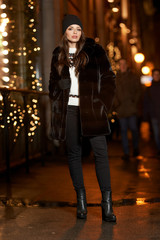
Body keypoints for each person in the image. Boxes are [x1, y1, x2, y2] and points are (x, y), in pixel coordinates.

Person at [49, 14, 116, 222]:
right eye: (71, 29)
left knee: (100, 154)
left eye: (78, 28)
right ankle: (81, 201)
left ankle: (107, 205)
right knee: (74, 154)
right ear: (65, 32)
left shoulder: (95, 50)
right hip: (69, 110)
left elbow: (109, 78)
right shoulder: (58, 54)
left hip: (93, 109)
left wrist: (102, 104)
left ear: (82, 31)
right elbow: (52, 86)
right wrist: (59, 87)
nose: (75, 32)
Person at [114, 59, 141, 161]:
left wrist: (134, 101)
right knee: (124, 131)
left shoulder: (133, 77)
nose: (122, 66)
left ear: (127, 65)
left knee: (134, 129)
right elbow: (113, 93)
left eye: (124, 64)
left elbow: (138, 90)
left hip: (131, 108)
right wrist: (117, 104)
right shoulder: (116, 78)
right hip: (122, 110)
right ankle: (126, 153)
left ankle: (135, 148)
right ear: (119, 66)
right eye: (120, 64)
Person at [143, 69, 160, 157]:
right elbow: (146, 103)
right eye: (155, 74)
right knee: (156, 134)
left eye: (158, 74)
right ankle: (158, 149)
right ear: (152, 76)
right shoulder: (148, 89)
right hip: (154, 116)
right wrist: (145, 116)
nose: (156, 76)